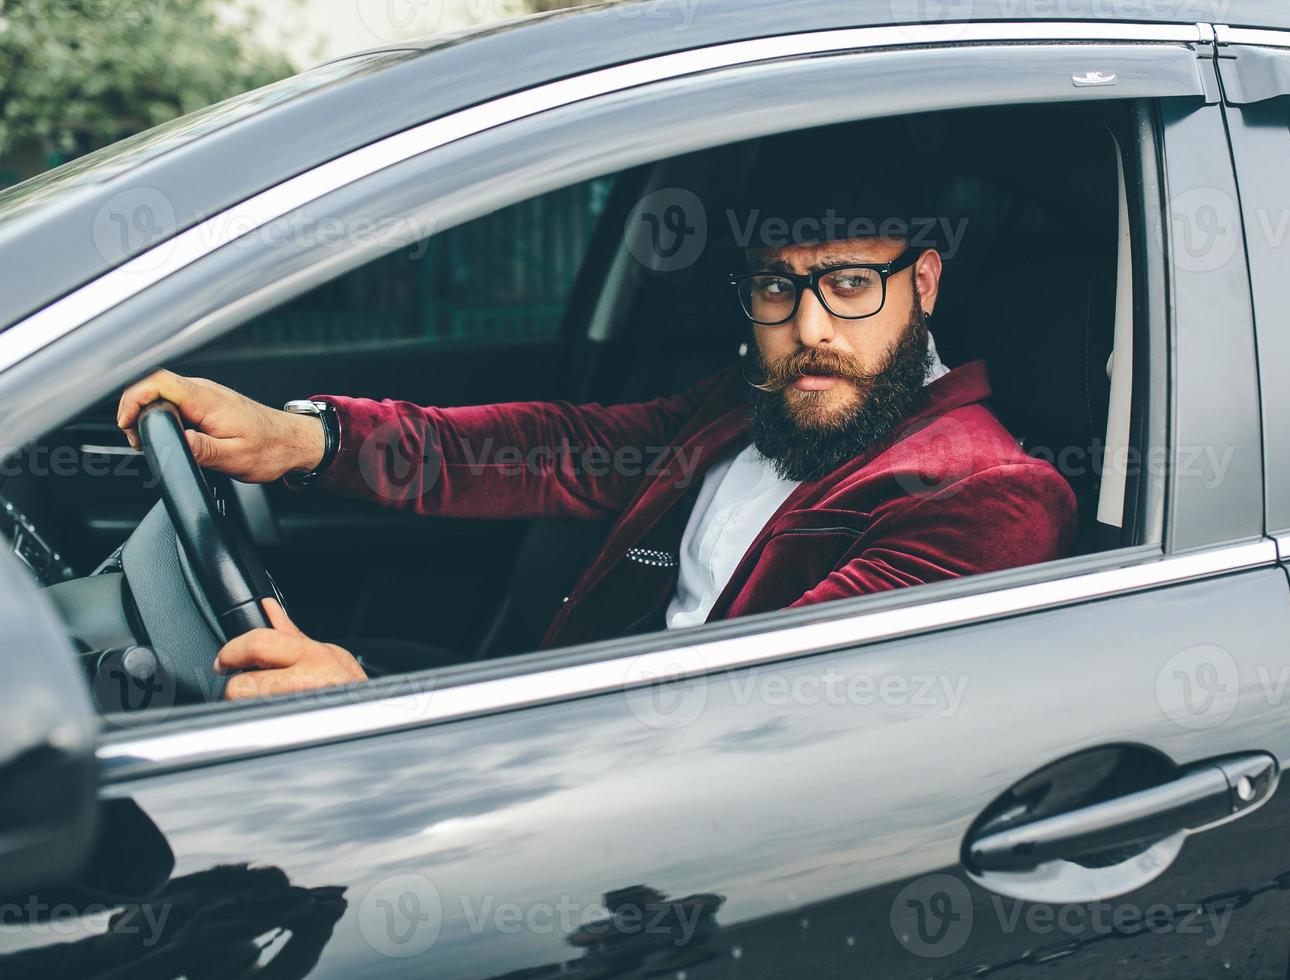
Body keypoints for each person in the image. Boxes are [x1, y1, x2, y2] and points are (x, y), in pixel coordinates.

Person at [115, 122, 1077, 701]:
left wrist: (377, 720)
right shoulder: (749, 404)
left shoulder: (986, 495)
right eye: (776, 288)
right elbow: (549, 448)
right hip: (585, 720)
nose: (810, 327)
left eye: (853, 284)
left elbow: (760, 712)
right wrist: (307, 437)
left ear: (928, 283)